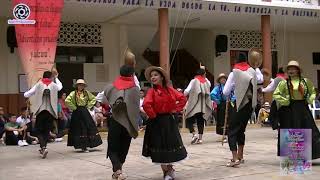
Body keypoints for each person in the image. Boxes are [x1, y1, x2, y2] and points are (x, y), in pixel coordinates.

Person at [142, 66, 187, 180]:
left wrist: (176, 109)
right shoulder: (151, 91)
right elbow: (146, 104)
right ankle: (166, 172)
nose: (153, 77)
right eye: (151, 76)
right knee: (160, 146)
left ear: (162, 77)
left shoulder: (170, 90)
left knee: (170, 144)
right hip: (156, 122)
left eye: (155, 75)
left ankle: (170, 169)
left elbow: (182, 98)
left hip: (169, 120)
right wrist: (153, 115)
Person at [273, 60, 320, 159]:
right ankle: (291, 157)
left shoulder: (305, 81)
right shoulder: (283, 83)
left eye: (293, 69)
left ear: (298, 70)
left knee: (308, 129)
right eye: (289, 69)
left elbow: (312, 92)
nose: (291, 71)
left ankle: (306, 155)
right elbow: (276, 94)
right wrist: (285, 101)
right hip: (289, 109)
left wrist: (310, 99)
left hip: (303, 108)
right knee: (290, 131)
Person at [223, 53, 263, 167]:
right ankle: (240, 156)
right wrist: (256, 67)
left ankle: (234, 158)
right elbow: (260, 79)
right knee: (241, 130)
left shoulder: (233, 73)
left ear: (236, 61)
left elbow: (225, 91)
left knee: (232, 131)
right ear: (247, 61)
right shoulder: (252, 71)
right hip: (249, 105)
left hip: (237, 104)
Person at [100, 65, 140, 180]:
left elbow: (103, 101)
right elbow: (135, 108)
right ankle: (118, 170)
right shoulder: (135, 89)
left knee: (113, 147)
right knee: (124, 146)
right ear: (132, 74)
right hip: (128, 123)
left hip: (115, 120)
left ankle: (117, 171)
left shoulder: (110, 86)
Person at [24, 70, 63, 158]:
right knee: (46, 131)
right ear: (50, 77)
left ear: (43, 76)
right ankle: (43, 147)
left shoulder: (38, 84)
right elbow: (60, 87)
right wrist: (56, 78)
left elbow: (26, 95)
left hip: (41, 111)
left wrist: (28, 92)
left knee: (38, 130)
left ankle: (43, 147)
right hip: (50, 112)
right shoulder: (54, 85)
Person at [65, 79, 102, 152]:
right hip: (77, 112)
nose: (81, 86)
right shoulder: (73, 93)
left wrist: (88, 106)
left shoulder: (86, 93)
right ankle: (82, 146)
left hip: (85, 111)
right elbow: (67, 100)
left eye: (82, 85)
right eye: (79, 85)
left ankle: (88, 144)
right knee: (79, 128)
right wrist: (74, 107)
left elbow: (93, 99)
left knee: (87, 126)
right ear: (77, 86)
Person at [184, 67, 212, 144]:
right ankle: (200, 138)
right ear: (203, 74)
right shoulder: (207, 82)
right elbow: (209, 86)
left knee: (188, 119)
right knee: (200, 120)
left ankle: (194, 134)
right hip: (202, 105)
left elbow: (186, 91)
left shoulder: (193, 81)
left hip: (194, 104)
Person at [210, 73, 236, 142]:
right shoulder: (217, 88)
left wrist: (232, 100)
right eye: (221, 79)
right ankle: (223, 135)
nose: (223, 80)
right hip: (221, 105)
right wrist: (217, 101)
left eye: (224, 78)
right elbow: (212, 94)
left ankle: (230, 135)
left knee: (230, 119)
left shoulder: (230, 86)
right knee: (221, 120)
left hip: (229, 104)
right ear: (219, 80)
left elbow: (234, 93)